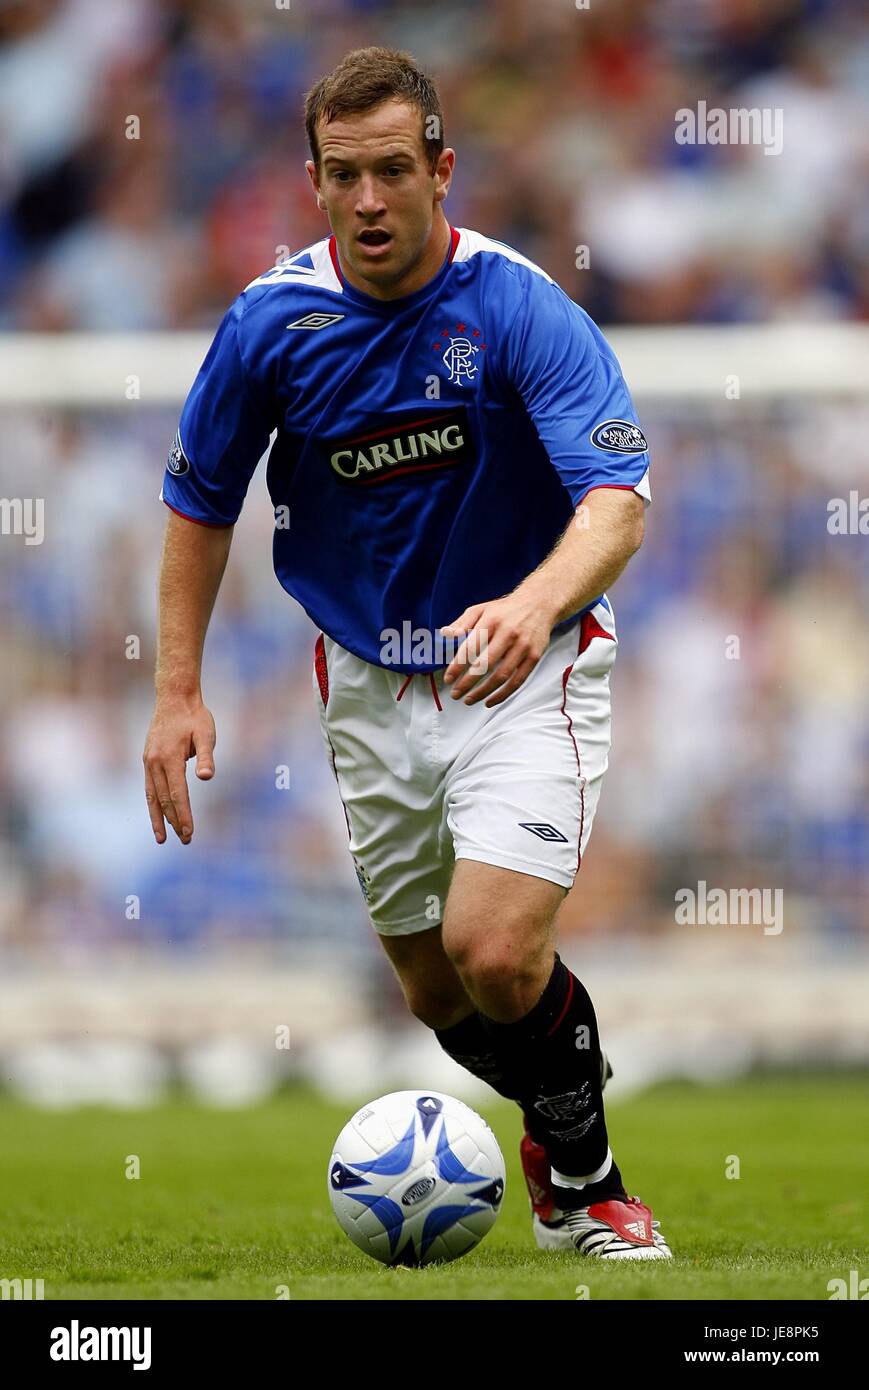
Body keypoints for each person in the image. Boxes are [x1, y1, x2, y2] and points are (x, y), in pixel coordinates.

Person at [144, 46, 671, 1260]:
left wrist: (532, 605)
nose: (370, 198)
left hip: (525, 664)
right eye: (344, 176)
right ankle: (556, 1107)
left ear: (442, 170)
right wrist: (176, 689)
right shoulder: (271, 324)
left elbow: (618, 498)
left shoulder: (517, 304)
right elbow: (199, 500)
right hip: (369, 682)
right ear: (315, 184)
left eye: (393, 170)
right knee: (437, 993)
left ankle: (584, 1184)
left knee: (494, 949)